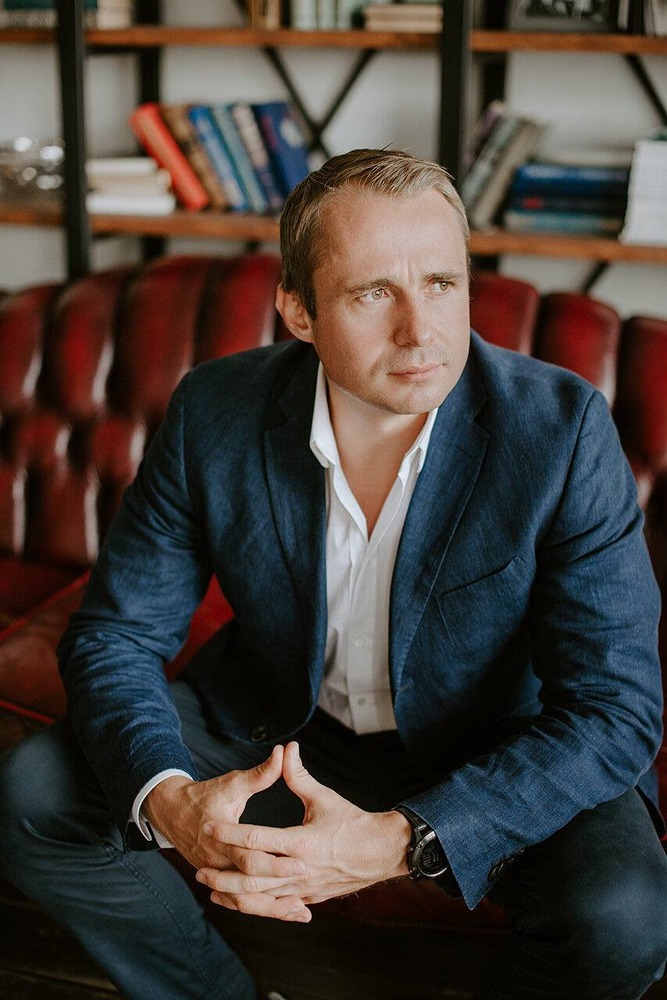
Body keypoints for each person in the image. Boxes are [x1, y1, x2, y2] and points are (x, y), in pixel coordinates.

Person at [0, 147, 666, 1000]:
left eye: (441, 283)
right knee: (32, 797)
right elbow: (116, 633)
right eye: (371, 294)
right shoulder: (213, 409)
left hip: (495, 744)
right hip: (278, 728)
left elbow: (613, 706)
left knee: (624, 916)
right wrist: (169, 801)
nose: (420, 331)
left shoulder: (562, 430)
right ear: (298, 311)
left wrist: (402, 839)